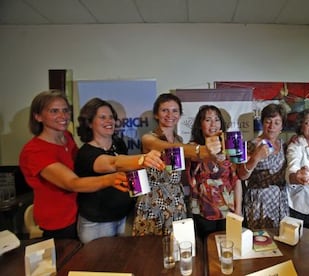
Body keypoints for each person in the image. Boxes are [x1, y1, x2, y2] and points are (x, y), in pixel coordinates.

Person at [19, 90, 128, 239]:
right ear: (38, 116)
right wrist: (112, 179)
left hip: (81, 211)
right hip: (59, 221)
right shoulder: (34, 151)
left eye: (65, 110)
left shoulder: (66, 137)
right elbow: (72, 183)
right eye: (54, 111)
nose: (62, 116)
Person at [75, 97, 165, 243]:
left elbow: (126, 171)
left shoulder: (117, 142)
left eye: (111, 117)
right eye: (102, 117)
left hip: (124, 217)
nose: (109, 121)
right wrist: (142, 159)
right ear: (90, 122)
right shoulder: (87, 153)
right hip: (98, 223)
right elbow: (114, 163)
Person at [132, 93, 222, 236]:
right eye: (164, 110)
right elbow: (167, 148)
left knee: (175, 248)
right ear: (156, 114)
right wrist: (201, 150)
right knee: (150, 249)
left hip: (176, 200)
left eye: (175, 111)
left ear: (180, 115)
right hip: (154, 200)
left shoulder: (179, 139)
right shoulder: (149, 138)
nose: (170, 115)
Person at [187, 105, 242, 240]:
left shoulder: (229, 147)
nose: (213, 124)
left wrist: (238, 210)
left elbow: (236, 180)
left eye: (216, 120)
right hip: (202, 209)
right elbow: (190, 174)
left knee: (228, 246)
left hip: (228, 209)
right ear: (200, 125)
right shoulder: (193, 148)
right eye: (208, 120)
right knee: (207, 248)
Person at [237, 103, 289, 230]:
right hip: (259, 203)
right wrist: (256, 157)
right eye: (268, 121)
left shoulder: (285, 145)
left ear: (282, 126)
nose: (272, 126)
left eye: (277, 123)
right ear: (262, 123)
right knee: (260, 242)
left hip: (280, 202)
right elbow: (241, 175)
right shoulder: (251, 145)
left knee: (281, 241)